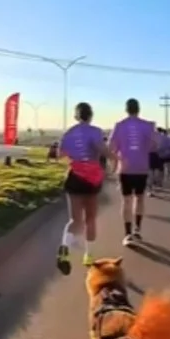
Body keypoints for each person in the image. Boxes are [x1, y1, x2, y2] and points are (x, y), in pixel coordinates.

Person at [56, 102, 107, 274]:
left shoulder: (69, 133)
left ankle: (65, 247)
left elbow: (60, 154)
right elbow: (102, 149)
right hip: (91, 179)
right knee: (90, 219)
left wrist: (75, 153)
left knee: (75, 220)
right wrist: (116, 158)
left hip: (74, 177)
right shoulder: (96, 131)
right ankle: (89, 255)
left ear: (76, 116)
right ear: (91, 115)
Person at [109, 98, 159, 247]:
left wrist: (114, 165)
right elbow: (154, 146)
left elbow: (112, 147)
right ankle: (137, 229)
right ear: (138, 109)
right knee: (140, 198)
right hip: (141, 167)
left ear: (126, 109)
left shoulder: (119, 125)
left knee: (126, 200)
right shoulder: (148, 125)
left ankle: (127, 234)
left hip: (125, 167)